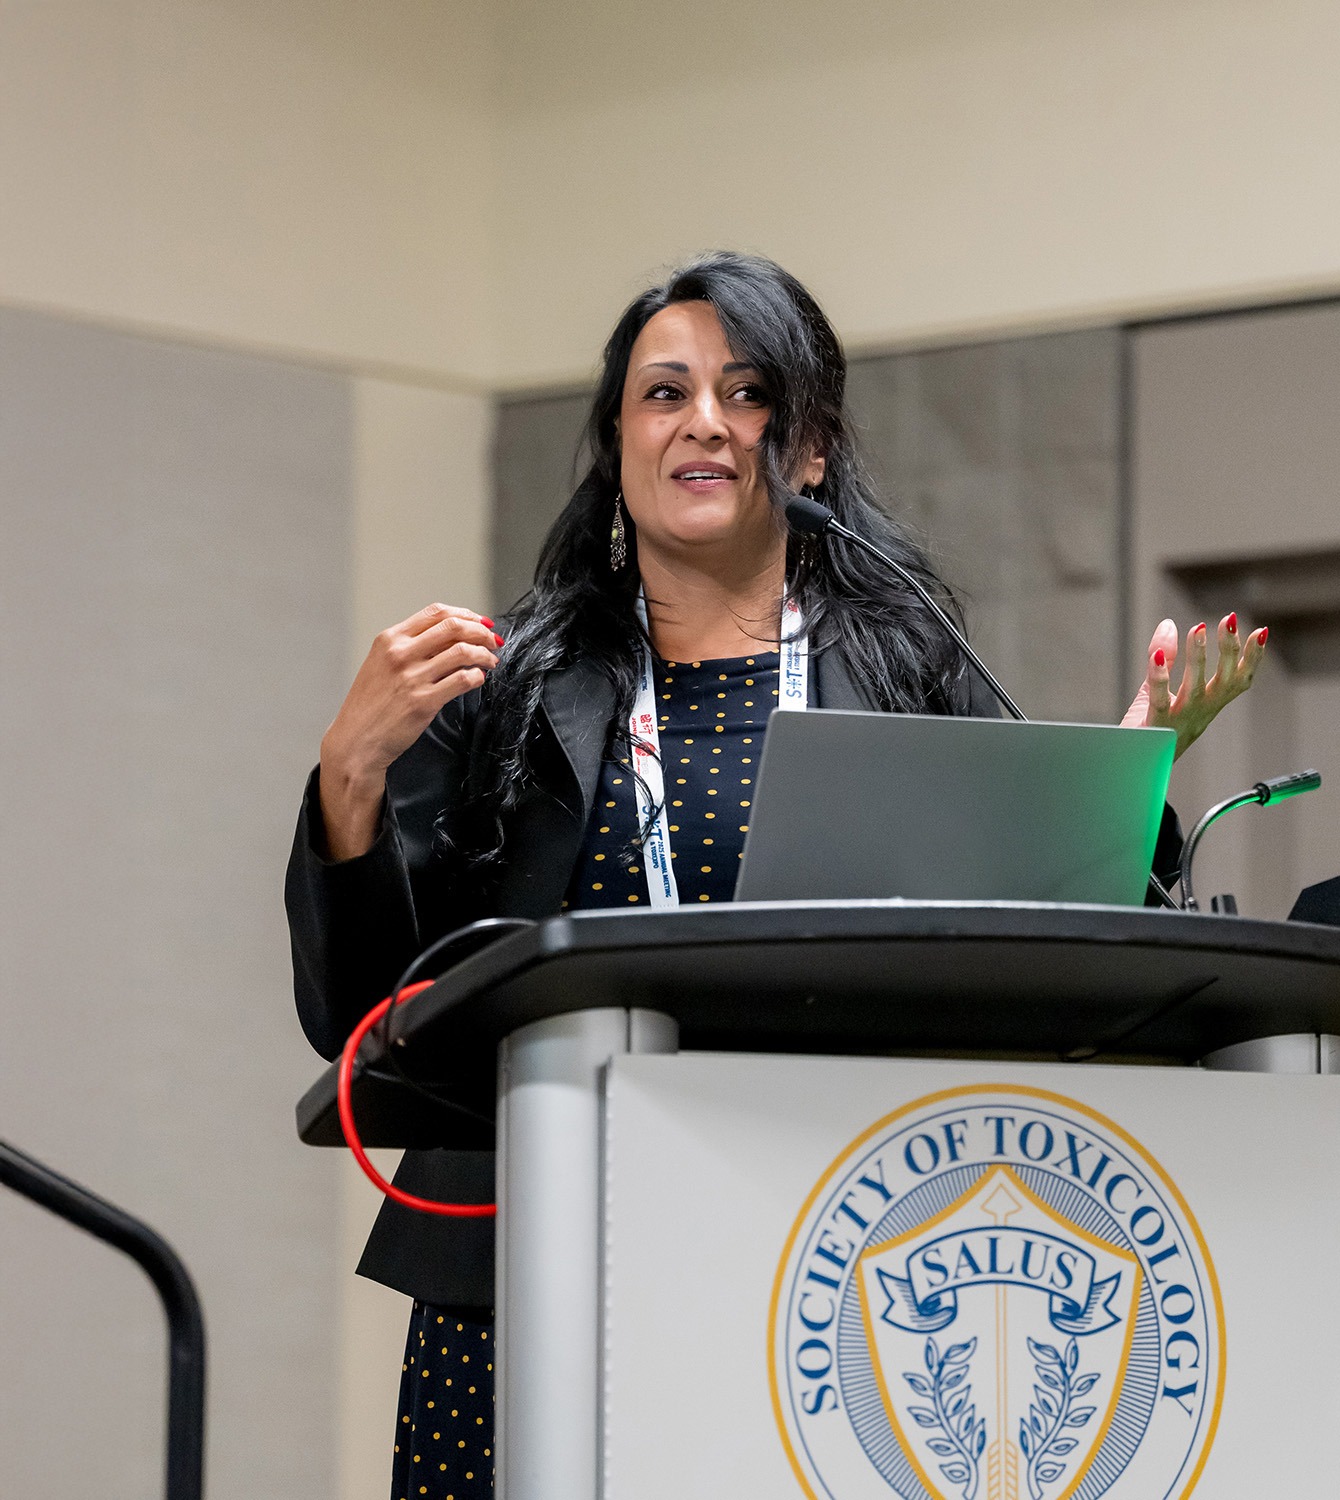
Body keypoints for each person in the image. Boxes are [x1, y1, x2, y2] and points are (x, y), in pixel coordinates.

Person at [284, 252, 1264, 1499]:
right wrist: (351, 779)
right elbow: (364, 1015)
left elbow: (1035, 945)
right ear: (618, 442)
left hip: (828, 1246)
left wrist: (1132, 771)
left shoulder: (911, 660)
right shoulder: (505, 687)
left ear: (806, 453)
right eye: (664, 393)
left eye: (749, 393)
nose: (704, 422)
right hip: (526, 1258)